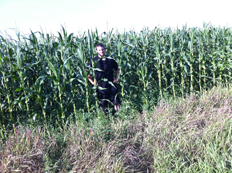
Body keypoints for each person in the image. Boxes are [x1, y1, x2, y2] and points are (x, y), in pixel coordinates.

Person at [86, 43, 120, 116]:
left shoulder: (110, 59)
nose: (101, 51)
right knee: (102, 104)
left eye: (103, 49)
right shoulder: (93, 60)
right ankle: (104, 119)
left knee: (116, 101)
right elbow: (87, 71)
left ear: (104, 49)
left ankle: (119, 117)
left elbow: (117, 68)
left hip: (111, 84)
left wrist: (116, 78)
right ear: (96, 51)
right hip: (100, 85)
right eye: (99, 50)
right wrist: (92, 82)